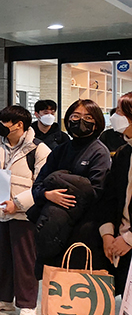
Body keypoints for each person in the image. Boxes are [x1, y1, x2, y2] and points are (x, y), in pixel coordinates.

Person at [0, 105, 51, 315]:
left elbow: (43, 184)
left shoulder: (39, 149)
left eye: (5, 121)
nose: (1, 125)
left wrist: (17, 204)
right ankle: (3, 298)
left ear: (19, 125)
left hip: (24, 214)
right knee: (3, 256)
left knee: (25, 259)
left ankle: (27, 304)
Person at [31, 98, 112, 274]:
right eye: (75, 116)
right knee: (53, 278)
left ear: (97, 123)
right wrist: (48, 195)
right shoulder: (60, 150)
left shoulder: (99, 152)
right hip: (53, 226)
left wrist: (61, 185)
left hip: (84, 230)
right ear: (68, 120)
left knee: (76, 281)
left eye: (88, 117)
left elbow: (96, 192)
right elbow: (37, 184)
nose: (81, 121)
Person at [97, 92, 132, 293]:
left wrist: (129, 239)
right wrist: (107, 234)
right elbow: (110, 197)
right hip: (119, 239)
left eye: (120, 112)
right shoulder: (123, 153)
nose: (115, 117)